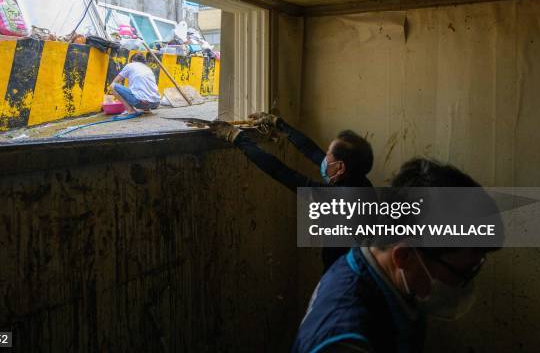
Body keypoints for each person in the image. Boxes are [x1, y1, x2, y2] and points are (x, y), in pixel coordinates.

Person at [292, 158, 501, 353]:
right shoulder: (344, 340)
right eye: (462, 272)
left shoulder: (386, 271)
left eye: (476, 267)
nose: (464, 284)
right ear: (404, 257)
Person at [210, 114, 374, 269]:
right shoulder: (360, 182)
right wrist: (278, 123)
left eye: (328, 155)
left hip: (345, 276)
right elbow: (312, 151)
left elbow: (281, 172)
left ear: (340, 167)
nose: (324, 159)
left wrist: (238, 138)